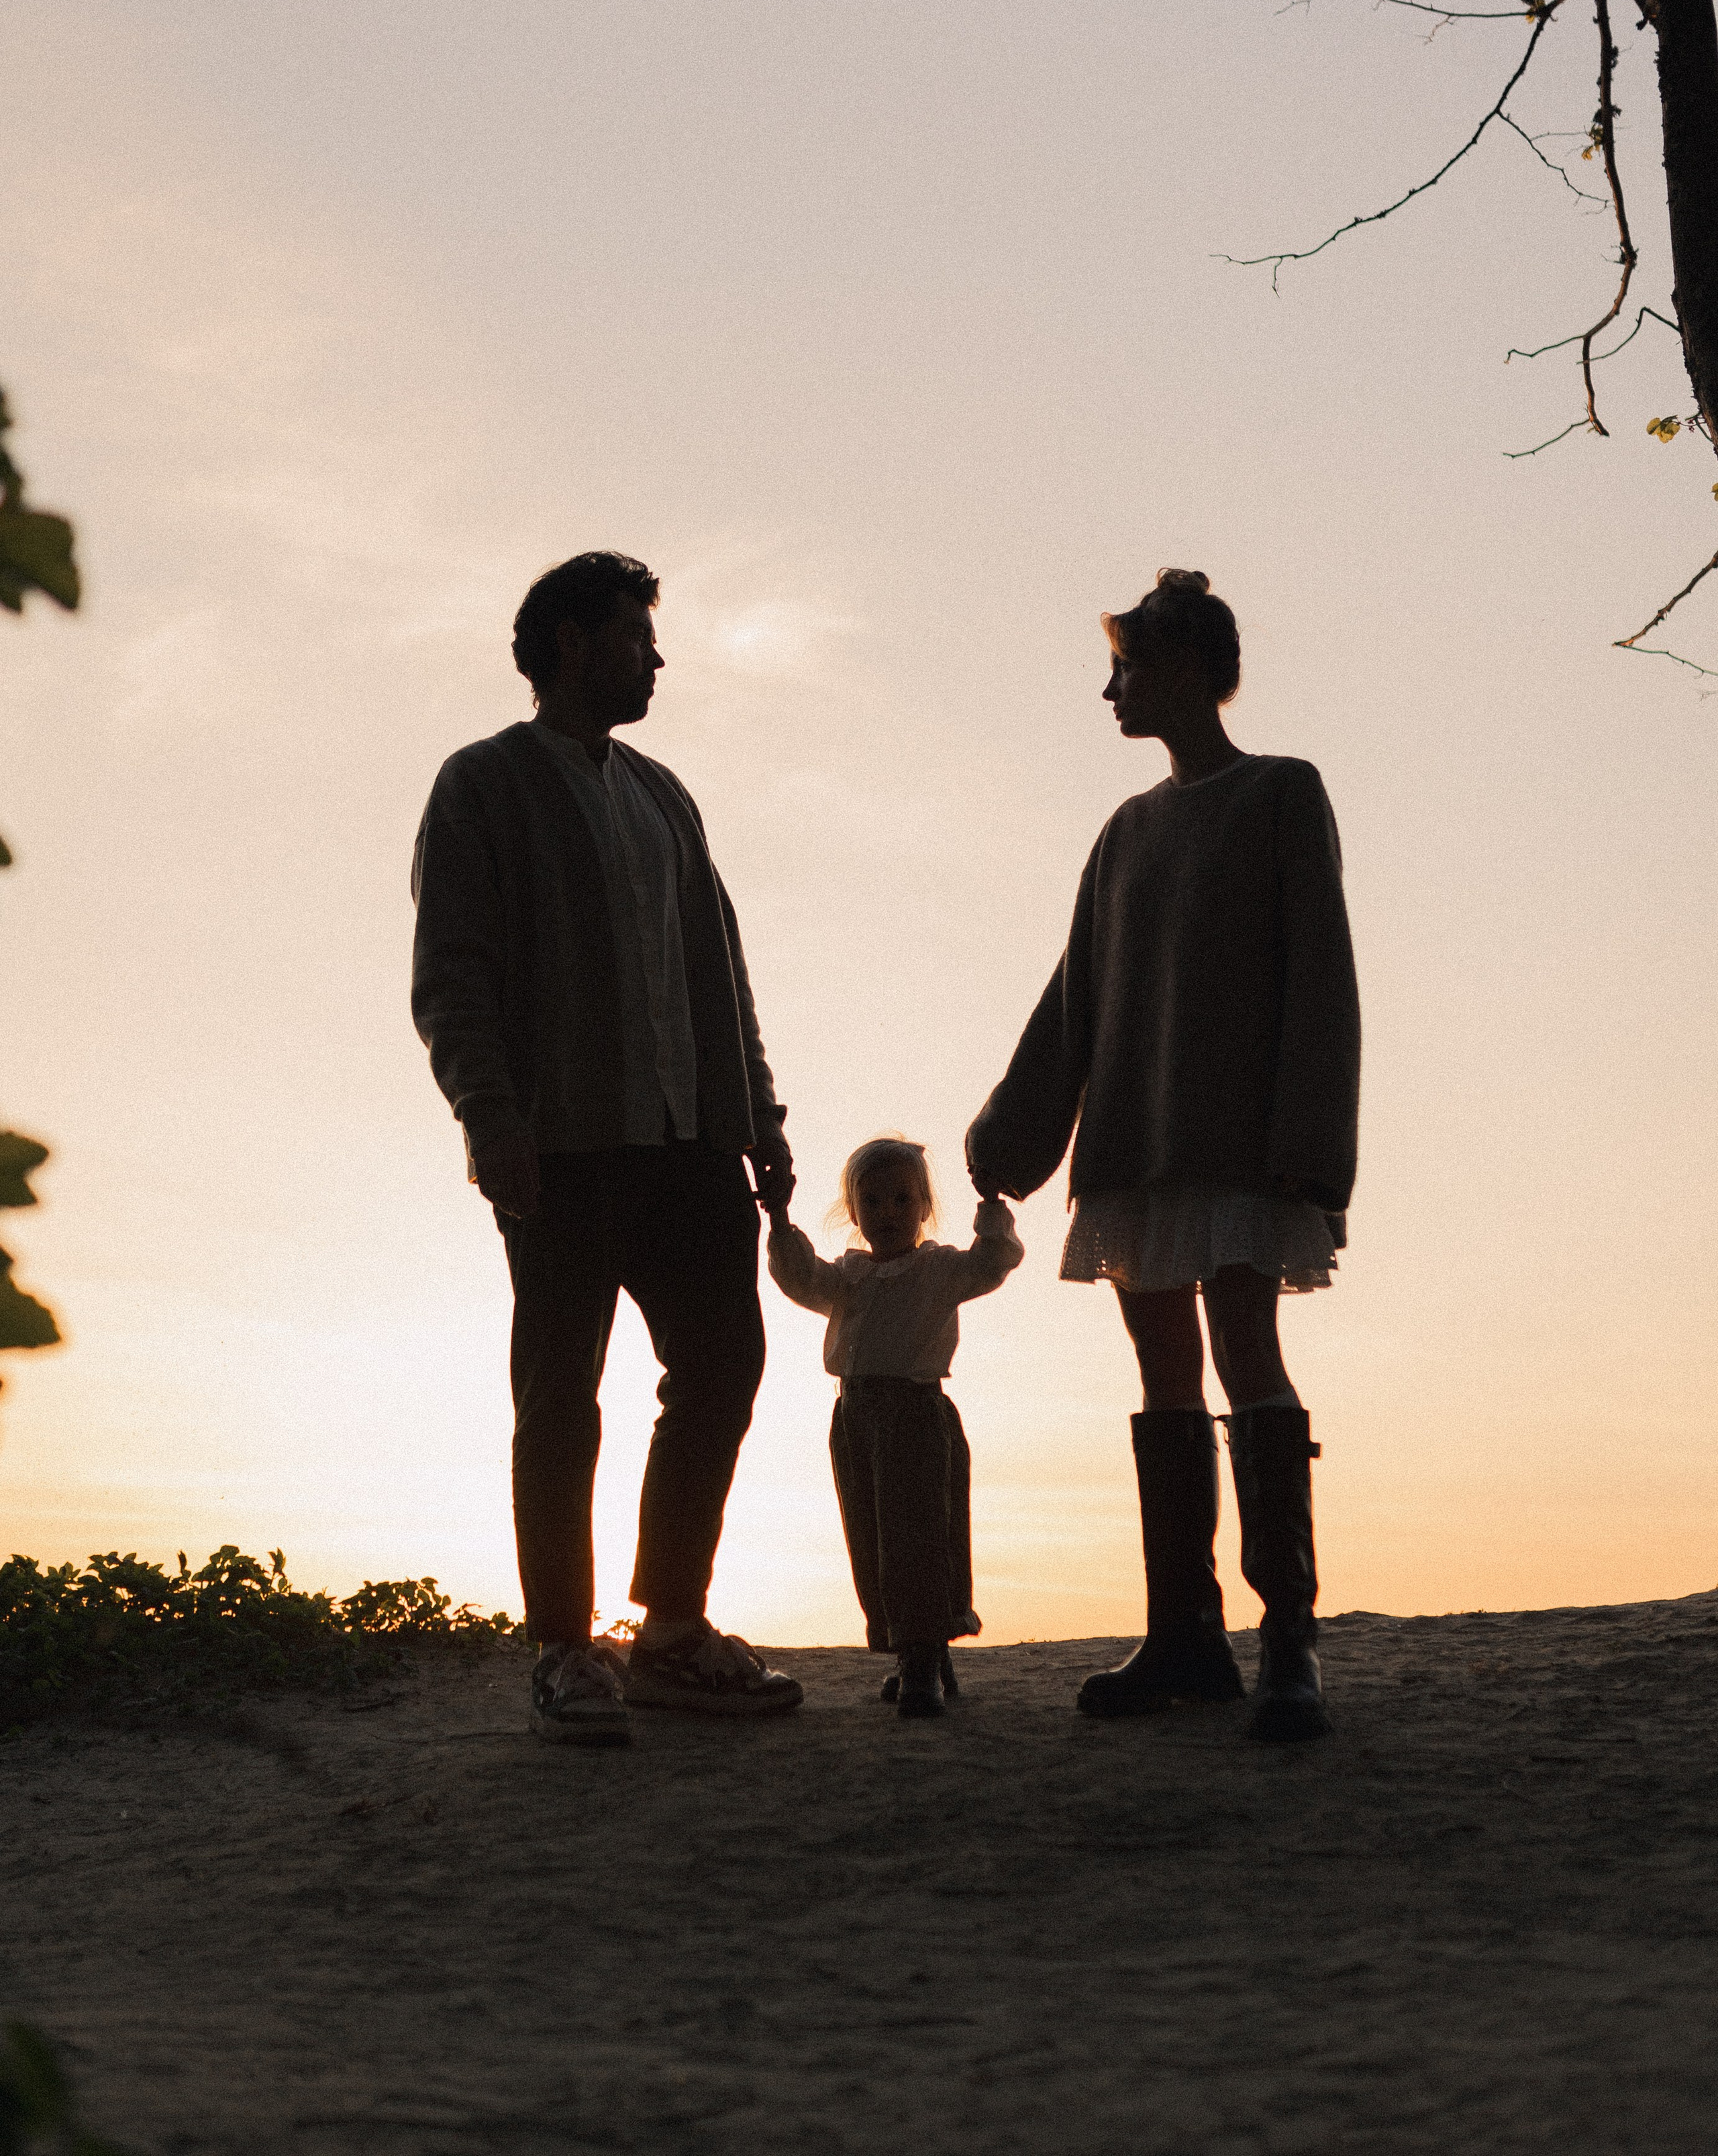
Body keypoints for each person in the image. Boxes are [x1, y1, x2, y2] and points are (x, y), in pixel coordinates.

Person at [411, 550, 803, 1745]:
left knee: (724, 1363)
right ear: (574, 642)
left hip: (692, 1142)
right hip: (563, 1146)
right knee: (560, 1396)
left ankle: (671, 1628)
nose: (658, 656)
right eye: (639, 634)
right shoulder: (481, 783)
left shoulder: (666, 795)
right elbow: (455, 976)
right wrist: (492, 1116)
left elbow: (720, 972)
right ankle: (565, 1649)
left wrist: (763, 1117)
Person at [966, 569, 1360, 1743]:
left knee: (1248, 1350)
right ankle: (1186, 1632)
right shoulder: (1124, 830)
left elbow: (1322, 972)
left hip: (1242, 1143)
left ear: (1185, 665)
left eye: (1126, 666)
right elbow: (1077, 995)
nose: (1110, 689)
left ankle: (1288, 1635)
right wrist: (1011, 1134)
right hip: (1134, 1144)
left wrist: (1310, 1142)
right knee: (1161, 1375)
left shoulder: (1285, 793)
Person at [766, 1137, 1023, 1718]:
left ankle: (923, 1659)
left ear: (924, 1207)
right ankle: (917, 1650)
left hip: (915, 1416)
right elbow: (798, 1275)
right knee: (874, 1537)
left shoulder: (940, 1270)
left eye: (902, 1199)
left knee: (921, 1534)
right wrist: (780, 1219)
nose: (887, 1212)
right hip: (855, 1418)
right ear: (854, 1212)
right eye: (873, 1200)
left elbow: (994, 1262)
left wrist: (991, 1207)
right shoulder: (848, 1278)